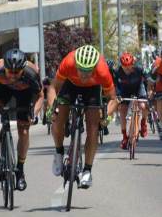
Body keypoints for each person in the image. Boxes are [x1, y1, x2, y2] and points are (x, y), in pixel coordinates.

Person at [46, 45, 115, 189]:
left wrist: (107, 116)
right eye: (81, 70)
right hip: (70, 86)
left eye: (88, 71)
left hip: (92, 89)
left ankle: (87, 170)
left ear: (94, 67)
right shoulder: (68, 62)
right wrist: (52, 108)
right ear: (76, 64)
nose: (84, 74)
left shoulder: (102, 71)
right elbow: (53, 87)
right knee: (58, 119)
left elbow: (113, 98)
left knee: (93, 128)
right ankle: (59, 153)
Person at [0, 49, 43, 191]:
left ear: (23, 69)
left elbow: (40, 96)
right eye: (10, 72)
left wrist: (35, 113)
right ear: (5, 68)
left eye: (17, 73)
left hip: (24, 93)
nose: (13, 76)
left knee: (24, 130)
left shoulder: (31, 74)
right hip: (3, 89)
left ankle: (20, 169)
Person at [107, 52, 149, 150]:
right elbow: (115, 84)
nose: (127, 69)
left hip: (138, 88)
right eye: (125, 67)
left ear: (132, 64)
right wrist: (118, 95)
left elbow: (147, 78)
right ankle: (125, 136)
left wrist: (148, 93)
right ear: (121, 65)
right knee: (122, 109)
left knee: (143, 106)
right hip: (124, 90)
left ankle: (143, 122)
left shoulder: (139, 69)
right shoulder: (117, 71)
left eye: (129, 66)